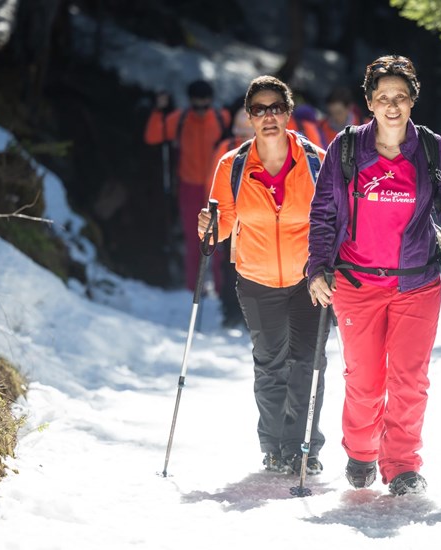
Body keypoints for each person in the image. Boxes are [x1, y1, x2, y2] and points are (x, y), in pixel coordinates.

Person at [306, 55, 441, 496]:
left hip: (417, 283)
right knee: (364, 378)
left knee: (409, 379)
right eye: (383, 97)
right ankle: (361, 453)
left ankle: (402, 464)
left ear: (413, 100)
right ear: (369, 102)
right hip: (357, 282)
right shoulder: (346, 149)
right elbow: (323, 213)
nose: (392, 105)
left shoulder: (431, 148)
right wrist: (317, 266)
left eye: (400, 97)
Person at [198, 75, 331, 475]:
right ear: (249, 116)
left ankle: (303, 446)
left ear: (289, 113)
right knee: (271, 365)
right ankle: (274, 446)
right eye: (259, 109)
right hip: (256, 279)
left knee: (308, 363)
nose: (268, 116)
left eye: (276, 108)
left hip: (309, 279)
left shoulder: (317, 161)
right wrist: (208, 227)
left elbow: (332, 220)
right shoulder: (232, 165)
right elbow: (222, 224)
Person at [144, 79, 230, 291]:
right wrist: (158, 110)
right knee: (194, 240)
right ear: (191, 101)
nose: (201, 110)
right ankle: (193, 289)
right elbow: (152, 136)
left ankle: (221, 290)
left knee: (219, 240)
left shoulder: (222, 118)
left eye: (205, 105)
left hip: (217, 187)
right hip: (189, 187)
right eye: (197, 105)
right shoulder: (180, 119)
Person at [209, 105, 255, 328]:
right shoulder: (226, 149)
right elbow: (212, 184)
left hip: (257, 221)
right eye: (241, 132)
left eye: (247, 132)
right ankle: (231, 311)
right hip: (232, 219)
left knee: (255, 268)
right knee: (231, 266)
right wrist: (214, 217)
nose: (243, 137)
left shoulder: (268, 150)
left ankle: (252, 315)